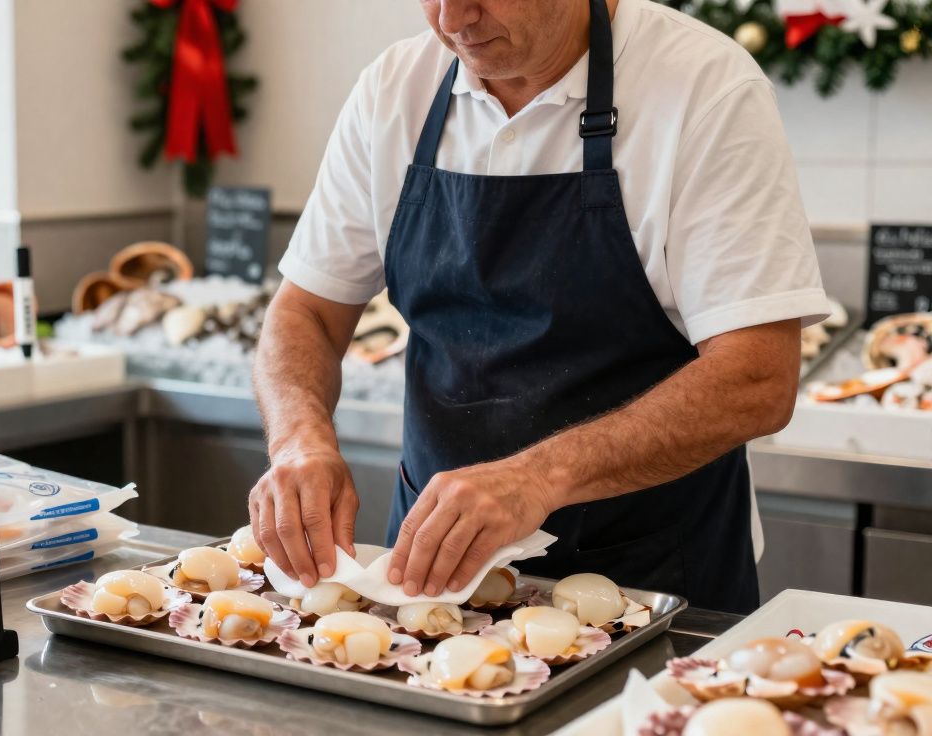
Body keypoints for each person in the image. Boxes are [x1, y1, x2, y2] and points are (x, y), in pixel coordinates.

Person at [247, 0, 830, 613]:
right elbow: (306, 312)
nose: (452, 19)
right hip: (431, 580)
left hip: (651, 576)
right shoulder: (395, 88)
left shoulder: (704, 86)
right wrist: (299, 442)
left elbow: (757, 378)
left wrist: (539, 477)